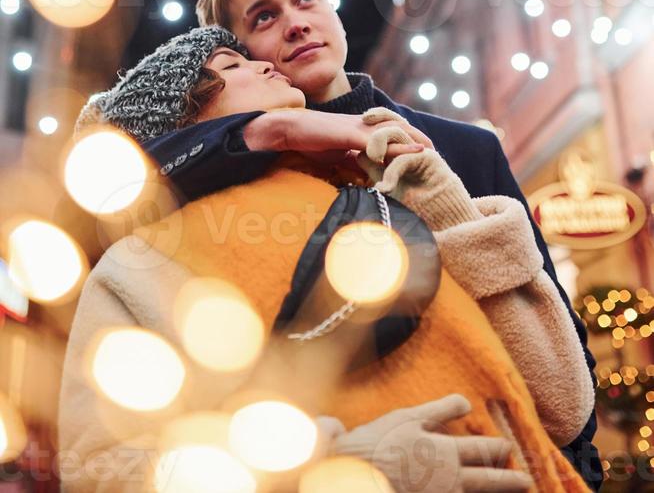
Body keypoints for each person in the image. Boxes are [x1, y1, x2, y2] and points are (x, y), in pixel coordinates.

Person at [59, 26, 595, 493]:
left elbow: (563, 407)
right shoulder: (141, 265)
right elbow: (101, 467)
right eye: (231, 66)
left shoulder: (379, 196)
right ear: (181, 118)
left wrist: (445, 205)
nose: (265, 61)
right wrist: (338, 468)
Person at [157, 0, 600, 487]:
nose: (296, 23)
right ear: (244, 56)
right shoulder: (244, 180)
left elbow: (559, 333)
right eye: (263, 17)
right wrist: (273, 127)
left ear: (333, 12)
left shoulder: (463, 148)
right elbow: (128, 162)